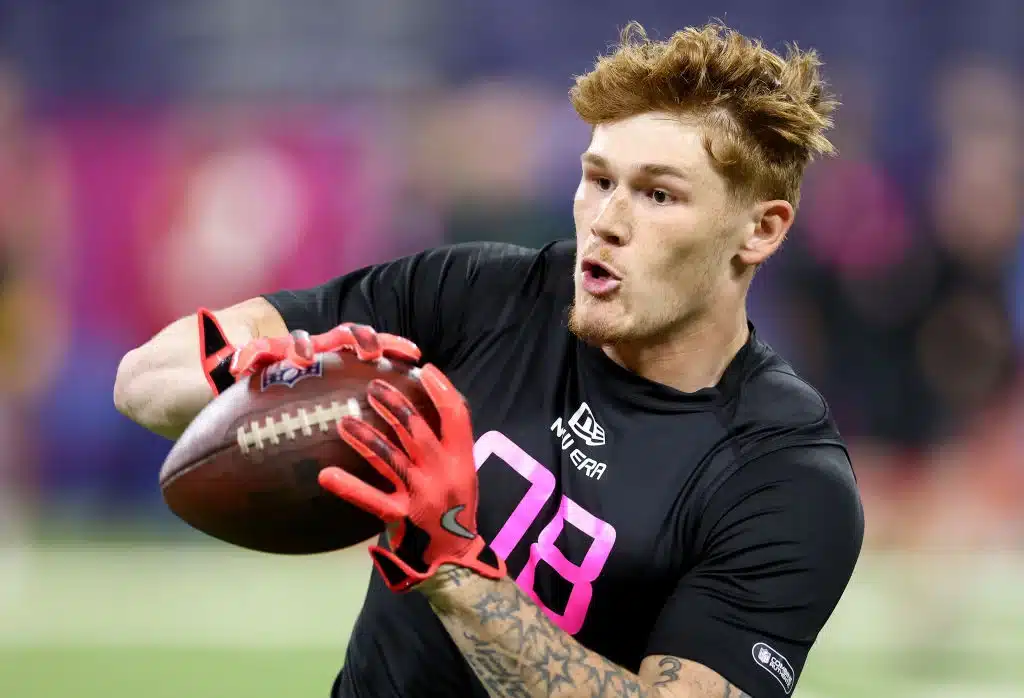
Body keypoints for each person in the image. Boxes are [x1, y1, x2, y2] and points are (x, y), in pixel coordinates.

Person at [115, 21, 864, 698]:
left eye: (658, 195)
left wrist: (453, 567)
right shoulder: (484, 295)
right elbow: (145, 382)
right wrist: (278, 370)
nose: (606, 221)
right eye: (598, 179)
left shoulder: (787, 477)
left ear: (761, 231)